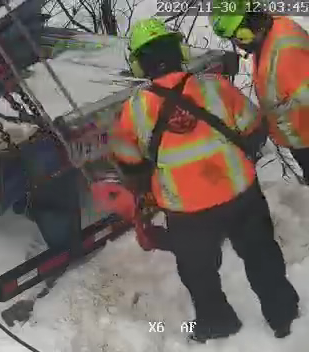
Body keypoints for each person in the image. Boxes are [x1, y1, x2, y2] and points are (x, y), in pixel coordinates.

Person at [109, 18, 300, 343]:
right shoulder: (215, 86)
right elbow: (254, 127)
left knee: (199, 274)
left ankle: (217, 322)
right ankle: (283, 315)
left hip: (187, 210)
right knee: (261, 256)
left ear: (139, 64)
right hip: (240, 193)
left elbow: (128, 161)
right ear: (179, 51)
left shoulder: (135, 109)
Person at [210, 5, 309, 182]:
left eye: (237, 38)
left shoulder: (286, 49)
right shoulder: (268, 37)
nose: (238, 44)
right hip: (300, 138)